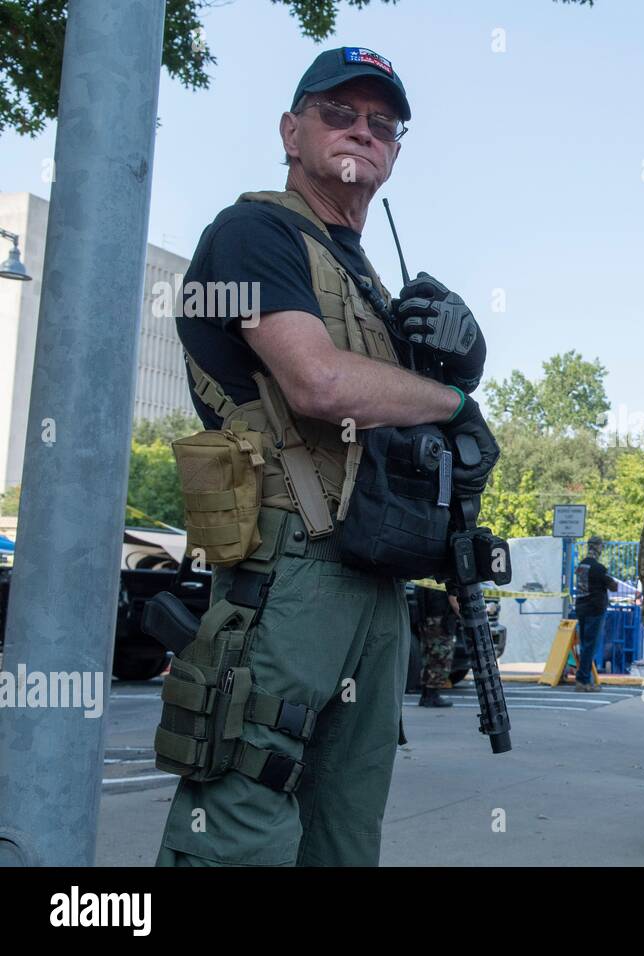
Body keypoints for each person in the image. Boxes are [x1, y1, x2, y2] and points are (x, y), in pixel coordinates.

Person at [157, 47, 495, 866]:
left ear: (395, 153)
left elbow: (403, 431)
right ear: (290, 129)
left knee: (346, 828)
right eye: (338, 113)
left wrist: (461, 357)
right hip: (289, 572)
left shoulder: (374, 283)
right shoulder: (253, 234)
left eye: (383, 123)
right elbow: (318, 382)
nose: (362, 132)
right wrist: (456, 403)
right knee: (243, 814)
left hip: (374, 577)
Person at [574, 534, 618, 691]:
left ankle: (585, 678)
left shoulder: (581, 566)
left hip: (581, 608)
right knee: (590, 647)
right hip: (595, 610)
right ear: (599, 547)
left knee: (585, 645)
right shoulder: (598, 568)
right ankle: (583, 680)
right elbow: (614, 586)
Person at [415, 586, 459, 707]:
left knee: (428, 657)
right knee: (440, 659)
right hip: (440, 620)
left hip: (426, 619)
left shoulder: (427, 574)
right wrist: (463, 616)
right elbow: (453, 599)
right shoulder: (445, 575)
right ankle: (432, 695)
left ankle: (426, 695)